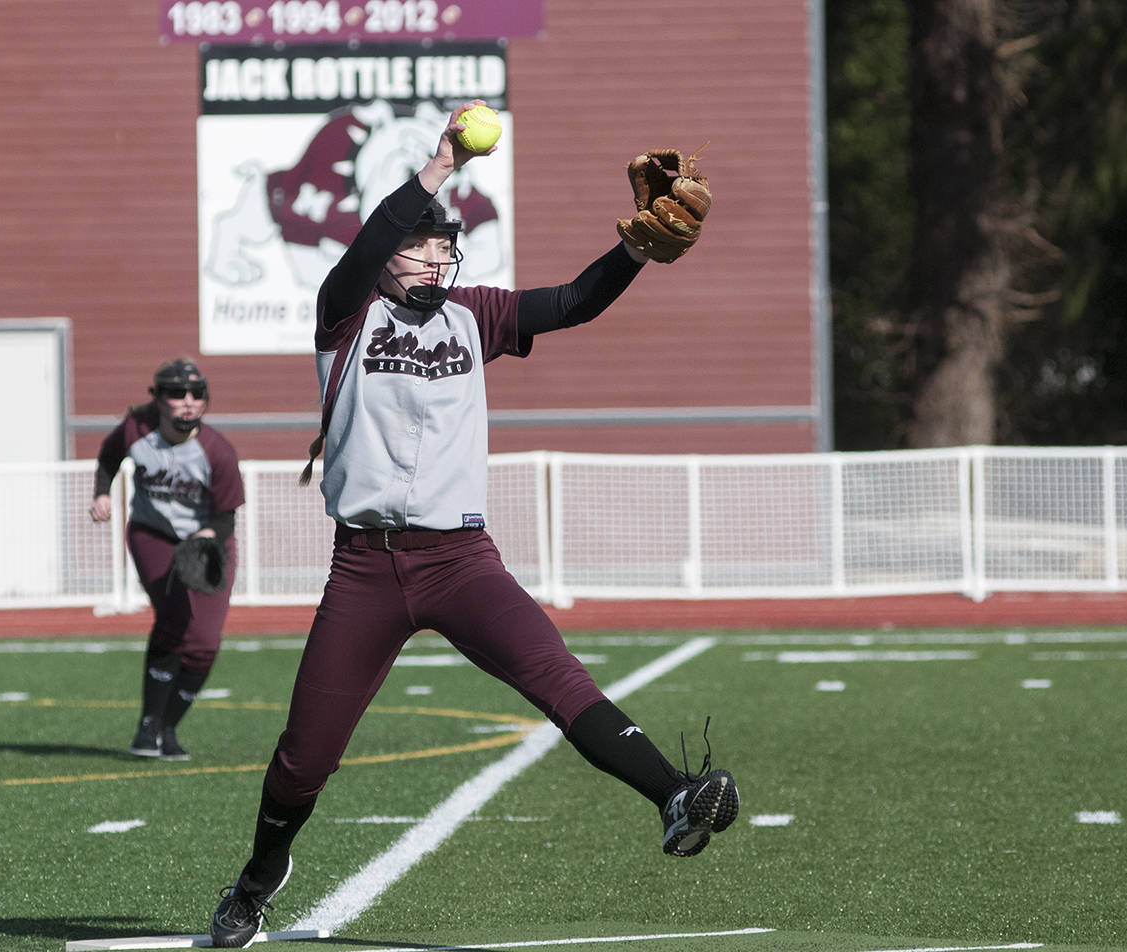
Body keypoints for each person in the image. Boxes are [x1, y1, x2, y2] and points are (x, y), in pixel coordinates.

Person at [208, 102, 738, 948]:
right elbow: (364, 247)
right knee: (305, 758)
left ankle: (674, 794)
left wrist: (637, 250)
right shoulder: (345, 313)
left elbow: (572, 301)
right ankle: (258, 877)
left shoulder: (473, 316)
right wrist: (441, 163)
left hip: (461, 559)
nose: (432, 253)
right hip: (366, 569)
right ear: (384, 256)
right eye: (416, 243)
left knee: (561, 681)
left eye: (442, 242)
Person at [90, 358, 244, 761]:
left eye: (197, 394)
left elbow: (226, 517)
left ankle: (168, 727)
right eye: (177, 393)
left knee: (205, 644)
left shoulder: (217, 451)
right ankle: (148, 724)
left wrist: (205, 539)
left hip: (209, 541)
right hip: (153, 535)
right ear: (158, 399)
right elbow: (109, 456)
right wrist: (103, 493)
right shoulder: (137, 431)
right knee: (175, 619)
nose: (188, 402)